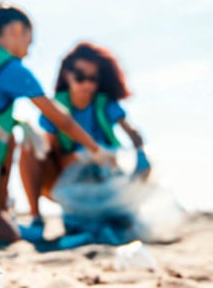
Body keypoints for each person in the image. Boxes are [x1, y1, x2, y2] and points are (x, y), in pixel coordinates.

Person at [0, 6, 114, 246]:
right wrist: (97, 150)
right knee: (6, 234)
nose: (27, 53)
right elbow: (61, 118)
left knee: (13, 134)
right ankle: (5, 224)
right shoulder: (10, 68)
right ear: (16, 30)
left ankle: (1, 213)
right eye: (28, 43)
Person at [18, 43, 148, 240]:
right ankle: (36, 218)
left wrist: (141, 154)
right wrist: (83, 156)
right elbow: (55, 157)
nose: (87, 84)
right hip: (66, 180)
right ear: (67, 75)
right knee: (29, 146)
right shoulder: (56, 107)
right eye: (80, 76)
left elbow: (133, 133)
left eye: (93, 78)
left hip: (104, 179)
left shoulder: (104, 104)